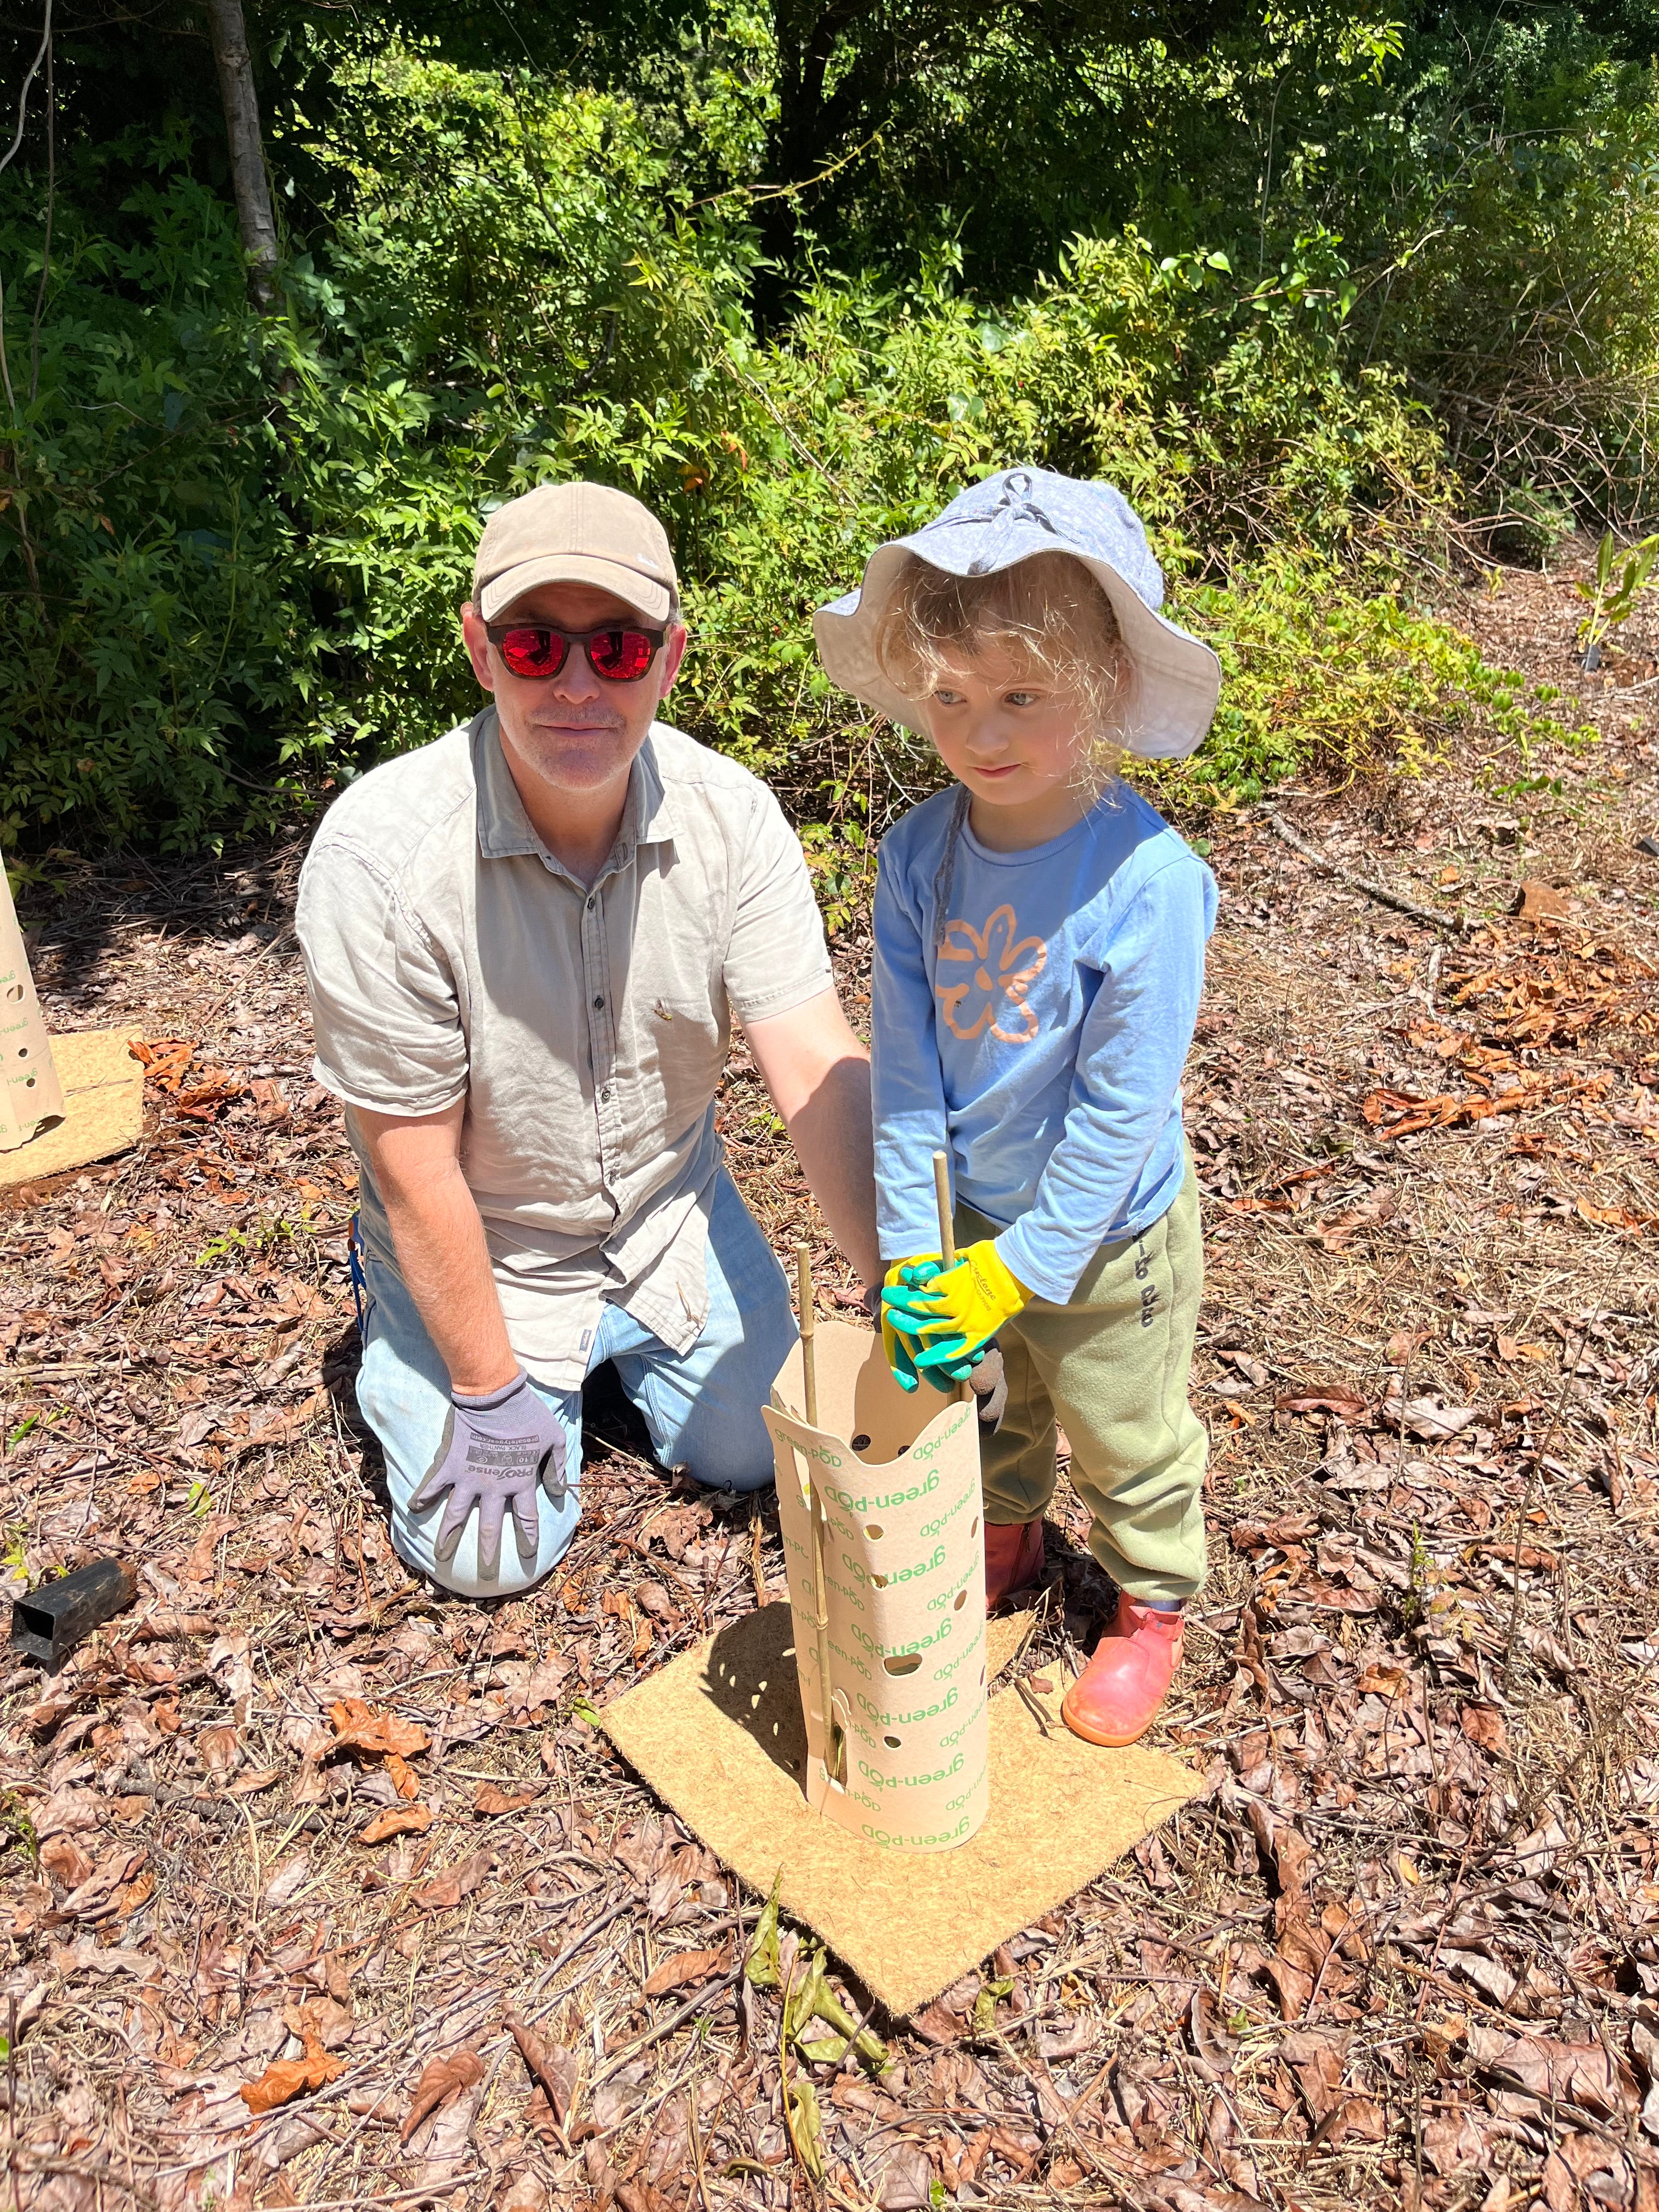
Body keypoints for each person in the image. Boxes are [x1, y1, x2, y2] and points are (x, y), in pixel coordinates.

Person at [297, 480, 879, 1598]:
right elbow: (412, 1161)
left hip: (670, 1215)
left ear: (670, 656)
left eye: (616, 648)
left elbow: (811, 1059)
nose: (574, 684)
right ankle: (435, 1336)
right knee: (491, 1556)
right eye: (533, 646)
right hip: (492, 1239)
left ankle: (613, 1359)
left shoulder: (734, 819)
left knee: (765, 1453)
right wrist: (481, 1385)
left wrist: (902, 1275)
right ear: (478, 650)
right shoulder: (380, 856)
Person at [813, 466, 1222, 1747]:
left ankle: (1150, 1603)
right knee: (997, 1398)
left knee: (1119, 1422)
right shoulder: (918, 854)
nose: (981, 733)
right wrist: (919, 1257)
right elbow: (909, 1074)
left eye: (1021, 696)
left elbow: (1120, 1111)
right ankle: (1006, 1532)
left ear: (1101, 685)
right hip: (973, 1204)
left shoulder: (1148, 882)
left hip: (1107, 1240)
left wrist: (1028, 1265)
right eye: (949, 697)